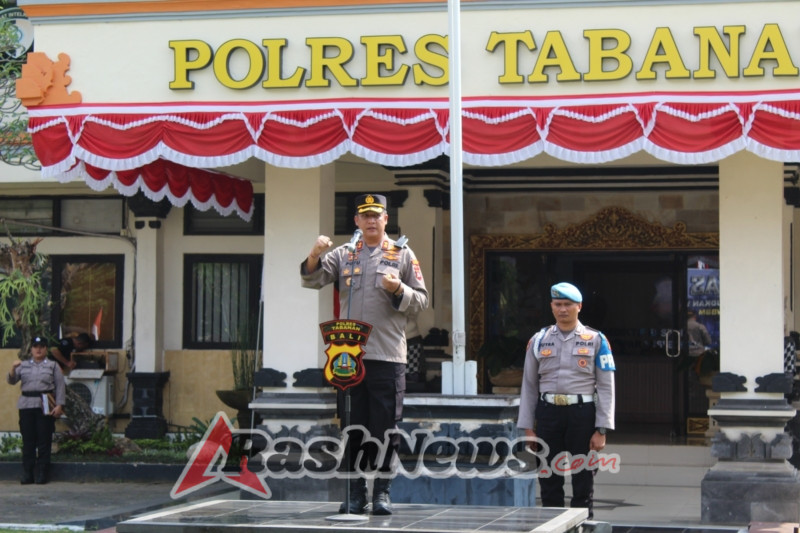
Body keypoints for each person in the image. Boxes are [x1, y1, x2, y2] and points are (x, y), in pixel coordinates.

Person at [301, 193, 429, 515]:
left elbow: (422, 301)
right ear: (356, 221)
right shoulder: (344, 255)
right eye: (365, 215)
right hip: (348, 359)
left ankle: (382, 492)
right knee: (351, 425)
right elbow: (312, 277)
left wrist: (398, 289)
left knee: (385, 428)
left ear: (386, 219)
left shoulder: (401, 254)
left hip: (387, 356)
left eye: (377, 215)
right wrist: (315, 254)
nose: (371, 221)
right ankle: (355, 492)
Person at [518, 282, 615, 519]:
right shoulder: (538, 340)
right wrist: (528, 428)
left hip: (582, 414)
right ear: (551, 306)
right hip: (548, 413)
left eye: (568, 304)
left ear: (579, 306)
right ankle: (552, 524)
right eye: (558, 304)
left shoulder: (596, 340)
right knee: (549, 475)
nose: (563, 309)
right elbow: (529, 386)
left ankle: (583, 523)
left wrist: (602, 428)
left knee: (583, 476)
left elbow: (606, 386)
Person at [6, 336, 66, 485]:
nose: (38, 349)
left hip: (44, 405)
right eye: (35, 346)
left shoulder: (52, 366)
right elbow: (12, 381)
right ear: (31, 349)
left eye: (42, 346)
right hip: (26, 405)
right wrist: (12, 368)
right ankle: (28, 473)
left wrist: (59, 405)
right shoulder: (23, 365)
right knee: (28, 441)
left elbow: (60, 386)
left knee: (44, 440)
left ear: (46, 349)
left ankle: (42, 473)